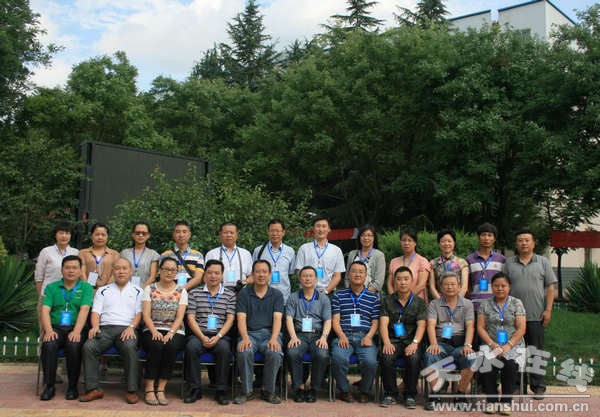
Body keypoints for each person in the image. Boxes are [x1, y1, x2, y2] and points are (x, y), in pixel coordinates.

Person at [80, 258, 143, 404]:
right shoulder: (103, 290)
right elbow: (95, 312)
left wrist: (131, 327)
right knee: (89, 347)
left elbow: (139, 313)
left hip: (127, 329)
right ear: (113, 271)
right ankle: (93, 389)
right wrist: (95, 326)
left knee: (130, 347)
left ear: (130, 271)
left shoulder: (138, 291)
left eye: (124, 268)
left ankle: (131, 390)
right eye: (117, 268)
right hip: (105, 329)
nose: (121, 271)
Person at [503, 229, 556, 400]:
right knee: (515, 352)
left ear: (534, 243)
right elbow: (502, 287)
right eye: (520, 240)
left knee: (536, 352)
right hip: (513, 318)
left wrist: (548, 310)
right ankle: (518, 386)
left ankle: (538, 386)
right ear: (516, 244)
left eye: (527, 240)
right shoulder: (509, 264)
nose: (523, 243)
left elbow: (550, 287)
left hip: (536, 315)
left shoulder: (543, 262)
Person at [39, 255, 93, 401]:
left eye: (74, 268)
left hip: (76, 328)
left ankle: (72, 387)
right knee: (49, 345)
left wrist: (76, 331)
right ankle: (49, 386)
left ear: (80, 270)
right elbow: (45, 310)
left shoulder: (86, 287)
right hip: (56, 327)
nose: (71, 271)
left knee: (73, 345)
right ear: (62, 270)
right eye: (67, 267)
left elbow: (85, 309)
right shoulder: (52, 287)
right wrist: (48, 331)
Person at [184, 260, 236, 405]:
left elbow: (230, 319)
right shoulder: (194, 293)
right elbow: (191, 318)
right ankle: (195, 389)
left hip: (220, 335)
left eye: (217, 273)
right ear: (204, 275)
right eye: (210, 273)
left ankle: (221, 390)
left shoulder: (230, 295)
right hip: (199, 334)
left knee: (224, 349)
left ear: (222, 275)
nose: (213, 276)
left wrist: (218, 336)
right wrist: (202, 336)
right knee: (191, 347)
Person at [233, 260, 284, 405]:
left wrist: (274, 338)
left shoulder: (277, 295)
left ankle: (268, 391)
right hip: (249, 334)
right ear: (252, 274)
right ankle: (246, 391)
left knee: (274, 352)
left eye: (264, 272)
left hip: (270, 334)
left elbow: (277, 318)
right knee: (244, 351)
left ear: (269, 275)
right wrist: (244, 338)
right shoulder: (244, 293)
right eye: (258, 272)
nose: (261, 275)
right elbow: (241, 318)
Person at [423, 271, 475, 411]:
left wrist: (467, 345)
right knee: (430, 354)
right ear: (441, 287)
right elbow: (431, 325)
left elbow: (470, 326)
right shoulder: (434, 304)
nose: (450, 287)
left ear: (459, 286)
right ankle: (435, 396)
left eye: (453, 284)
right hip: (441, 343)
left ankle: (460, 395)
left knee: (472, 357)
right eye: (446, 284)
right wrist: (433, 343)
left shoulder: (467, 304)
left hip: (460, 344)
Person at [477, 272, 526, 415]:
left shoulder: (517, 303)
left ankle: (506, 402)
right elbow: (480, 327)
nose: (499, 288)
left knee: (509, 364)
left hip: (513, 344)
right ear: (491, 287)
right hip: (491, 343)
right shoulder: (485, 304)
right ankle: (492, 401)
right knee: (487, 362)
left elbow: (521, 328)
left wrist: (508, 346)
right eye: (496, 286)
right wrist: (493, 345)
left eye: (503, 286)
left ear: (509, 287)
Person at [141, 257, 188, 406]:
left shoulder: (182, 291)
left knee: (171, 347)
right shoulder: (149, 289)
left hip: (175, 330)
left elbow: (180, 317)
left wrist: (170, 333)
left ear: (176, 273)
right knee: (156, 345)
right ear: (159, 270)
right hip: (152, 327)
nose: (169, 272)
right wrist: (154, 331)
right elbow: (146, 315)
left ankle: (161, 388)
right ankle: (149, 387)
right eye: (166, 269)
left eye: (173, 270)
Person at [331, 261, 380, 403]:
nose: (357, 274)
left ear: (366, 275)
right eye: (354, 271)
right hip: (344, 335)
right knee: (338, 358)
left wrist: (369, 336)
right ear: (348, 274)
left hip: (365, 336)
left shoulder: (373, 297)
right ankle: (344, 390)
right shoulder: (339, 295)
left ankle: (364, 391)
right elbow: (335, 320)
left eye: (361, 272)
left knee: (370, 362)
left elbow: (375, 322)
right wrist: (341, 336)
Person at [379, 266, 426, 409]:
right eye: (399, 279)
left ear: (412, 281)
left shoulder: (419, 302)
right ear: (394, 282)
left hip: (411, 341)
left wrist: (415, 343)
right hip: (392, 340)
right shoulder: (387, 301)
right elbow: (383, 324)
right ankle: (390, 394)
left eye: (406, 279)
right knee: (387, 356)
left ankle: (410, 395)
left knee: (413, 358)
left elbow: (421, 325)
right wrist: (386, 342)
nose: (402, 282)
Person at [285, 266, 332, 403]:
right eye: (304, 276)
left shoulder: (323, 298)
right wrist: (293, 337)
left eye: (310, 276)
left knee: (322, 354)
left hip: (317, 335)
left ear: (316, 279)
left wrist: (324, 337)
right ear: (300, 279)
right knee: (293, 352)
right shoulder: (293, 297)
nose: (307, 278)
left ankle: (313, 388)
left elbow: (327, 320)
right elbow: (289, 318)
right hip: (299, 335)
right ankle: (299, 388)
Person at [295, 216, 345, 295]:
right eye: (318, 226)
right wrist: (309, 291)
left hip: (328, 293)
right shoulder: (304, 248)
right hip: (306, 292)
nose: (321, 229)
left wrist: (326, 292)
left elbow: (337, 276)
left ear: (329, 229)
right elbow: (299, 272)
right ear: (313, 229)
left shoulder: (336, 250)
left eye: (324, 226)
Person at [253, 219, 296, 303]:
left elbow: (290, 274)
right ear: (268, 232)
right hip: (263, 297)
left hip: (284, 297)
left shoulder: (290, 251)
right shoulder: (258, 251)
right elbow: (254, 273)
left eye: (278, 231)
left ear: (283, 232)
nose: (275, 234)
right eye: (272, 231)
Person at [466, 223, 506, 312]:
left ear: (494, 239)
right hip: (475, 306)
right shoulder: (469, 259)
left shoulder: (501, 259)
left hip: (496, 306)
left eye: (489, 235)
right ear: (478, 237)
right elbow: (467, 285)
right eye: (483, 235)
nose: (486, 238)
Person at [35, 222, 79, 296]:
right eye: (61, 233)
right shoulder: (46, 252)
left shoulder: (76, 253)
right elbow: (39, 277)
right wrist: (41, 296)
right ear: (55, 235)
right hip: (49, 294)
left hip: (70, 295)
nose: (64, 236)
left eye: (67, 233)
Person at [206, 222, 253, 290]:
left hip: (241, 291)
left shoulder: (246, 254)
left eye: (231, 233)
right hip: (219, 292)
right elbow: (205, 277)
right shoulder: (211, 254)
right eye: (225, 233)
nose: (228, 235)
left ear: (237, 235)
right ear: (220, 235)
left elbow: (252, 276)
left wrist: (245, 282)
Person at [386, 227, 430, 301]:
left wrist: (405, 300)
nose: (406, 243)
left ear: (415, 243)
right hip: (396, 302)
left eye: (410, 240)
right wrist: (395, 300)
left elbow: (421, 285)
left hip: (416, 302)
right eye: (404, 240)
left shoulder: (422, 261)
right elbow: (389, 284)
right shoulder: (394, 261)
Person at [160, 221, 204, 291]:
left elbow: (198, 278)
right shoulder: (165, 255)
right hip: (169, 292)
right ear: (173, 234)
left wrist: (181, 290)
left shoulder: (198, 255)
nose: (181, 235)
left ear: (189, 234)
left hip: (191, 293)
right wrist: (173, 291)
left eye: (184, 232)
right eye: (178, 232)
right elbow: (162, 276)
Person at [429, 229, 469, 299]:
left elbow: (464, 287)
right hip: (439, 301)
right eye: (443, 241)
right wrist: (440, 302)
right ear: (439, 244)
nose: (446, 244)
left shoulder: (462, 263)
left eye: (449, 241)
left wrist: (456, 302)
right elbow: (432, 287)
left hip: (458, 301)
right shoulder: (433, 263)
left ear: (454, 243)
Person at [345, 225, 385, 293]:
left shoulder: (379, 255)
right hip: (351, 294)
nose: (366, 238)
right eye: (363, 235)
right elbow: (347, 277)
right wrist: (350, 292)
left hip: (370, 295)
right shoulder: (352, 254)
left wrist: (364, 295)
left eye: (369, 235)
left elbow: (379, 281)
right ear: (359, 237)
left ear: (374, 237)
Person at [79, 223, 120, 288]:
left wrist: (106, 289)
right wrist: (87, 288)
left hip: (109, 290)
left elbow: (115, 273)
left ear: (107, 237)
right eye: (97, 234)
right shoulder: (83, 253)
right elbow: (81, 273)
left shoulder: (115, 254)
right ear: (91, 236)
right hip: (88, 289)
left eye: (103, 235)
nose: (100, 237)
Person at [120, 222, 160, 287]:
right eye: (137, 233)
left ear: (148, 235)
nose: (140, 235)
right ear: (133, 234)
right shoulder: (124, 253)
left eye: (144, 233)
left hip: (146, 289)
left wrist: (141, 289)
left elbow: (152, 277)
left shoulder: (154, 255)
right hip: (126, 289)